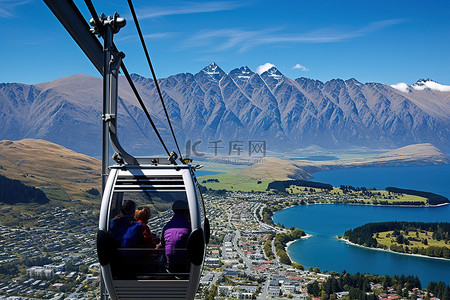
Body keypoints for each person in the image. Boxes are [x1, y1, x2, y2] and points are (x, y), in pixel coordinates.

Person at [161, 200, 191, 274]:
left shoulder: (167, 226)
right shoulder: (189, 226)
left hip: (169, 263)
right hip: (184, 264)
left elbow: (163, 243)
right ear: (187, 211)